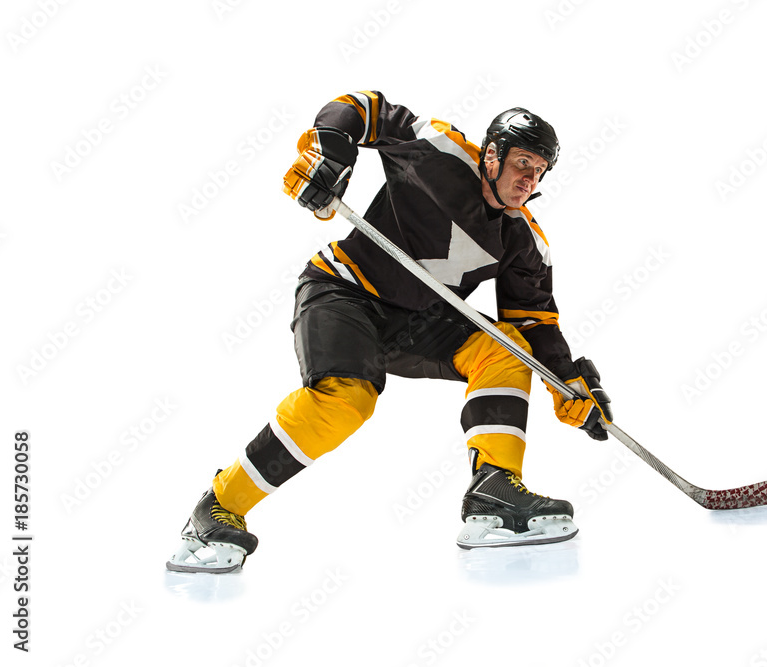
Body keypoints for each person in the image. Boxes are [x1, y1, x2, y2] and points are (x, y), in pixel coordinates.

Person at [166, 90, 613, 573]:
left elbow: (534, 321)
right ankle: (217, 507)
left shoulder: (523, 239)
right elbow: (364, 107)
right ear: (492, 154)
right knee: (345, 401)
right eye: (523, 162)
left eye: (540, 170)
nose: (529, 179)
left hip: (415, 324)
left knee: (508, 347)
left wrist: (567, 382)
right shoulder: (439, 151)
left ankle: (495, 489)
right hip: (344, 290)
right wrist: (330, 148)